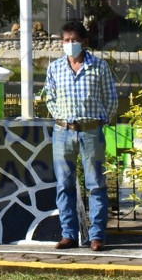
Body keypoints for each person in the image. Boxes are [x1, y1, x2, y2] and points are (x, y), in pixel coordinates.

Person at [45, 20, 118, 252]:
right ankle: (68, 234)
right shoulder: (54, 67)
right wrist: (60, 118)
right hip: (62, 132)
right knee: (64, 184)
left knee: (95, 184)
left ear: (84, 42)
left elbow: (111, 98)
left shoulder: (99, 66)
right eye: (66, 40)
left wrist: (99, 121)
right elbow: (50, 97)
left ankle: (96, 236)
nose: (70, 44)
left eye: (74, 40)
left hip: (90, 132)